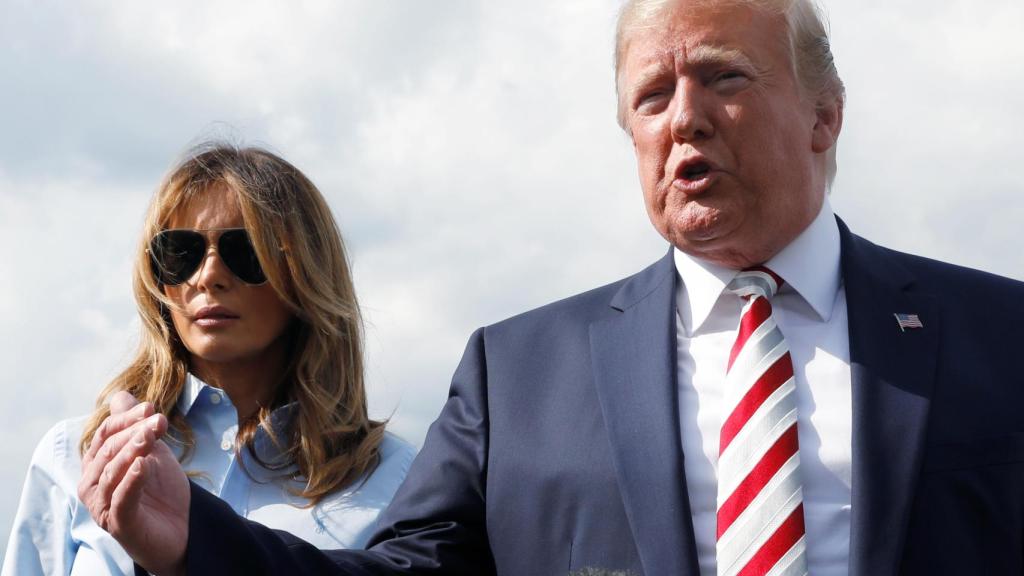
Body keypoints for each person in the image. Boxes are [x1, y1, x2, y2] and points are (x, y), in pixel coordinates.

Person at [79, 0, 1024, 575]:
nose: (685, 118)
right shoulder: (516, 375)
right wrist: (196, 542)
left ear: (826, 115)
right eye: (652, 97)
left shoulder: (999, 335)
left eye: (723, 77)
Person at [2, 143, 417, 575]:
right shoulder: (76, 455)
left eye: (247, 250)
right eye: (180, 252)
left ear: (306, 273)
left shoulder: (394, 475)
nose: (209, 275)